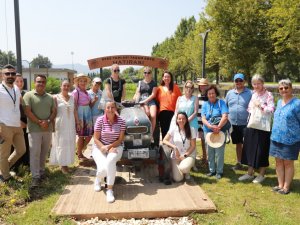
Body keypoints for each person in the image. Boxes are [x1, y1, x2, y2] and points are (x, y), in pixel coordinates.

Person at [238, 75, 274, 183]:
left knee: (261, 150)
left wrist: (260, 106)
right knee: (250, 148)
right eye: (254, 84)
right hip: (252, 124)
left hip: (263, 127)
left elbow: (271, 109)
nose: (256, 86)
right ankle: (250, 173)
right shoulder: (253, 94)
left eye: (258, 83)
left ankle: (262, 174)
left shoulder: (269, 95)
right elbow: (249, 108)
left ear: (263, 83)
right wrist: (252, 108)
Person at [23, 74, 56, 188]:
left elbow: (54, 112)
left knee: (44, 152)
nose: (41, 83)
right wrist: (39, 122)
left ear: (45, 83)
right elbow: (27, 111)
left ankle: (42, 172)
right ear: (34, 83)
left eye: (43, 82)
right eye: (38, 81)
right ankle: (35, 177)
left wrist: (47, 121)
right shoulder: (28, 95)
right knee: (35, 153)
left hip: (47, 129)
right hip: (34, 130)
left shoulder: (50, 97)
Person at [269, 79, 300, 195]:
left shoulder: (297, 104)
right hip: (276, 137)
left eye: (286, 88)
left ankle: (286, 187)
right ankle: (280, 184)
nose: (283, 90)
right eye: (281, 88)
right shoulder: (279, 102)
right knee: (278, 162)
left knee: (288, 163)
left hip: (291, 139)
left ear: (291, 88)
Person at [92, 100, 126, 203]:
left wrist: (110, 147)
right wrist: (104, 147)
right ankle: (98, 179)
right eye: (108, 107)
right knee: (103, 170)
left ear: (116, 109)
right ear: (105, 109)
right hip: (99, 147)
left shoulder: (121, 121)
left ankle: (109, 189)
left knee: (111, 160)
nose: (110, 110)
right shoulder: (100, 120)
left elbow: (120, 140)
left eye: (112, 107)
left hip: (116, 147)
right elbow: (96, 139)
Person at [0, 65, 26, 183]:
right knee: (4, 154)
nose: (10, 76)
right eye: (7, 73)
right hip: (4, 125)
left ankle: (3, 170)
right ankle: (5, 177)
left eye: (12, 73)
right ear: (2, 75)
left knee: (21, 150)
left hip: (17, 125)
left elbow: (21, 102)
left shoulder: (16, 88)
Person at [49, 80, 79, 174]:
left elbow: (75, 111)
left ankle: (66, 163)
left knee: (69, 143)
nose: (66, 87)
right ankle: (63, 165)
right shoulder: (55, 98)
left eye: (68, 86)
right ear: (60, 86)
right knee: (61, 144)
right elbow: (53, 112)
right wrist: (53, 126)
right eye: (64, 85)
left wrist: (78, 122)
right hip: (60, 124)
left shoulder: (72, 98)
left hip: (70, 124)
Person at [225, 73, 252, 170]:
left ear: (244, 81)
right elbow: (225, 107)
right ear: (234, 82)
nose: (238, 82)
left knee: (248, 144)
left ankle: (250, 164)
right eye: (236, 81)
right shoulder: (229, 93)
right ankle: (239, 162)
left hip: (246, 123)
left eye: (240, 80)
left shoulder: (250, 93)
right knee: (238, 144)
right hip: (233, 124)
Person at [202, 85, 229, 179]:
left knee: (219, 152)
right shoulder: (205, 104)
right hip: (208, 131)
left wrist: (218, 127)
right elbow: (203, 118)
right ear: (207, 94)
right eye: (209, 93)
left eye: (213, 93)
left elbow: (225, 116)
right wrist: (209, 126)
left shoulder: (221, 103)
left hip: (220, 131)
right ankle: (212, 170)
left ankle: (219, 171)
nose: (211, 95)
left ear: (216, 93)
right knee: (210, 152)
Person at [162, 112, 196, 183]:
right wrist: (174, 147)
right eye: (179, 119)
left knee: (184, 168)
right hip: (176, 156)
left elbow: (193, 146)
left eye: (183, 118)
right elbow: (164, 140)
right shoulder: (173, 129)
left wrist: (185, 155)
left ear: (186, 120)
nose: (181, 120)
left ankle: (186, 172)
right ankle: (181, 169)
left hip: (188, 155)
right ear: (176, 120)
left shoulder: (191, 129)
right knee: (178, 179)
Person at [72, 73, 93, 161]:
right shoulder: (75, 92)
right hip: (80, 114)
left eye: (84, 81)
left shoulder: (87, 92)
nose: (83, 82)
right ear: (77, 82)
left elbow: (89, 104)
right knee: (81, 136)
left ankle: (79, 150)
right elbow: (74, 106)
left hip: (88, 113)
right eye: (81, 81)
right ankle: (80, 154)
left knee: (89, 135)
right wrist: (77, 120)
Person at [10, 73, 30, 172]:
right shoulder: (10, 94)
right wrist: (18, 122)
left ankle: (26, 165)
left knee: (26, 144)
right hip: (14, 122)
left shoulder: (26, 94)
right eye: (17, 81)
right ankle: (14, 168)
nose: (19, 83)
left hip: (26, 122)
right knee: (15, 146)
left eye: (21, 81)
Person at [156, 71, 181, 139]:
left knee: (173, 131)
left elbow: (180, 100)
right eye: (165, 77)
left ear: (171, 78)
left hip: (173, 113)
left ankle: (173, 148)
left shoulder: (175, 87)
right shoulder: (159, 88)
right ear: (162, 78)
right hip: (163, 113)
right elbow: (156, 101)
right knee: (164, 131)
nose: (166, 78)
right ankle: (166, 148)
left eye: (168, 77)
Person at [133, 67, 157, 134]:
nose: (147, 74)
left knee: (153, 116)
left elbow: (153, 95)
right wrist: (135, 100)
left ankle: (151, 134)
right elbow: (137, 93)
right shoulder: (140, 83)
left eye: (148, 72)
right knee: (145, 114)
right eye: (145, 72)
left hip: (151, 101)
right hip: (141, 101)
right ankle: (144, 133)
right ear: (143, 74)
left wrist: (145, 101)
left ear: (151, 74)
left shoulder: (153, 83)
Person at [197, 78, 209, 167]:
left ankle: (208, 160)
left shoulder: (209, 96)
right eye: (201, 85)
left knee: (207, 142)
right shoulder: (197, 96)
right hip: (199, 122)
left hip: (207, 122)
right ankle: (204, 157)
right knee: (202, 141)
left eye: (204, 85)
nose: (202, 87)